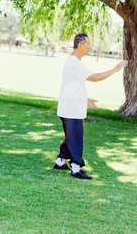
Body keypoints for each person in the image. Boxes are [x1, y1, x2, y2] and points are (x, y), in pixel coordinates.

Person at [53, 33, 128, 179]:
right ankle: (75, 168)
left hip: (72, 107)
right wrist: (115, 69)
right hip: (71, 109)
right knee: (76, 138)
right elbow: (94, 78)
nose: (90, 47)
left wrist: (85, 98)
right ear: (80, 45)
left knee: (71, 137)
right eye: (88, 44)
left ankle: (60, 161)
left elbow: (72, 85)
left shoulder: (75, 62)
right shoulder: (74, 62)